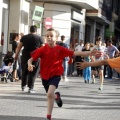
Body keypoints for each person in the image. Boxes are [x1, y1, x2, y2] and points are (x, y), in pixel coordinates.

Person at [27, 28, 98, 120]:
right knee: (50, 95)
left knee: (49, 94)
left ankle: (48, 117)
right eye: (47, 36)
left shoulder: (60, 49)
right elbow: (31, 59)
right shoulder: (42, 49)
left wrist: (89, 53)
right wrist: (29, 64)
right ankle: (56, 97)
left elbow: (75, 52)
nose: (49, 38)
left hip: (56, 74)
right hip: (45, 76)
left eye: (51, 36)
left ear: (56, 38)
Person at [15, 25, 44, 93]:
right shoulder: (39, 38)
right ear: (36, 31)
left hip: (25, 56)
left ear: (30, 30)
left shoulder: (24, 37)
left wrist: (16, 55)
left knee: (24, 71)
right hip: (35, 56)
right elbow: (43, 48)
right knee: (33, 72)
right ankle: (31, 88)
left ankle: (23, 86)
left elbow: (19, 47)